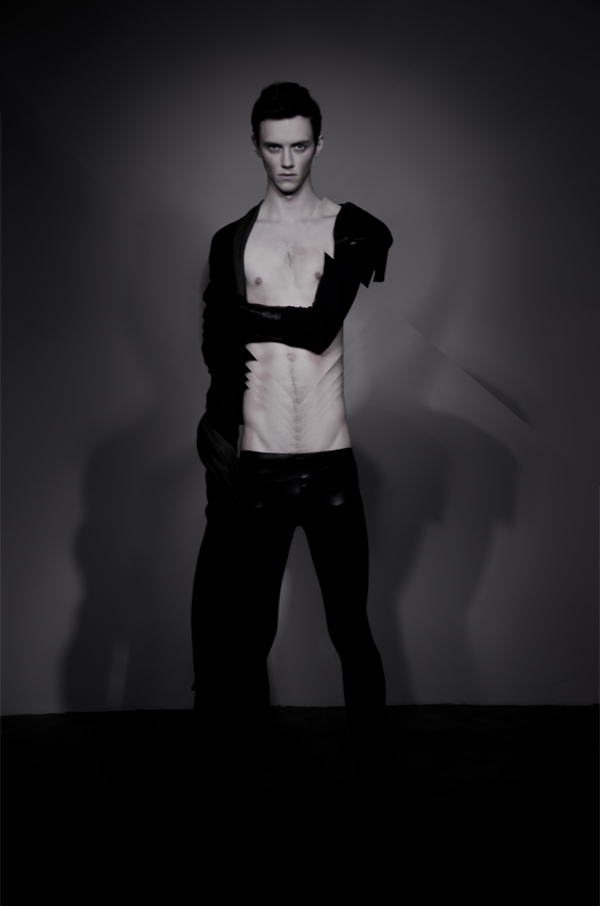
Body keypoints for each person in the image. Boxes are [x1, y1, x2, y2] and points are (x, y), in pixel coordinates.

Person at [191, 82, 393, 789]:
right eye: (273, 147)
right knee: (249, 639)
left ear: (319, 144)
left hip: (331, 464)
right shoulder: (232, 241)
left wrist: (246, 317)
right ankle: (243, 782)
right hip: (260, 464)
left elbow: (317, 327)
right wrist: (218, 439)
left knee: (351, 630)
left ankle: (376, 780)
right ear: (256, 145)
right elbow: (215, 350)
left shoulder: (351, 228)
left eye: (299, 146)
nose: (286, 161)